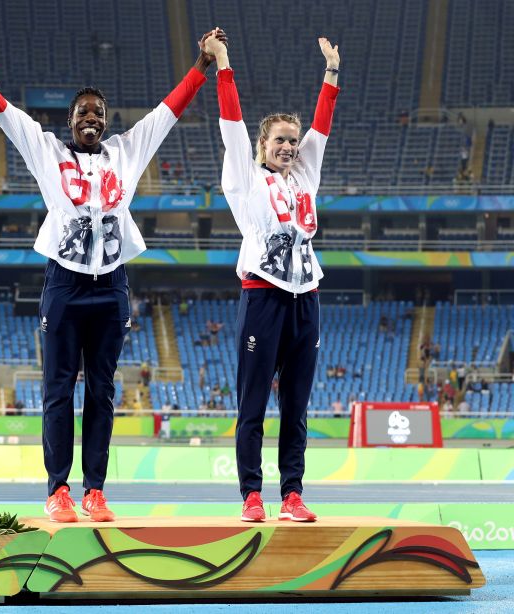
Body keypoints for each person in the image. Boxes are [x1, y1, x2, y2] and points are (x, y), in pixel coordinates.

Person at [0, 28, 225, 523]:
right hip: (63, 282)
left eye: (98, 113)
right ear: (70, 120)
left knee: (102, 389)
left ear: (105, 123)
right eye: (83, 112)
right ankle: (58, 489)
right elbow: (3, 113)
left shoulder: (126, 152)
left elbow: (168, 113)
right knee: (58, 389)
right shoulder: (48, 153)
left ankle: (95, 490)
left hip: (111, 286)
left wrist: (201, 66)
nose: (91, 118)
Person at [203, 32, 339, 523]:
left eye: (292, 140)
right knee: (254, 403)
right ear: (262, 145)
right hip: (263, 294)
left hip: (308, 297)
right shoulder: (244, 178)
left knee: (297, 407)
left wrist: (331, 74)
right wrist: (224, 63)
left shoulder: (306, 176)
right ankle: (252, 495)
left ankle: (293, 494)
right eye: (279, 139)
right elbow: (232, 124)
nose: (288, 146)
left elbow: (321, 129)